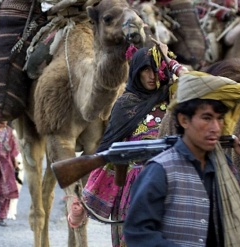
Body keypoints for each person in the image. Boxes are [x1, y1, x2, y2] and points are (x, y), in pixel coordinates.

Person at [123, 72, 240, 246]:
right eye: (207, 118)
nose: (216, 128)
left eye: (219, 119)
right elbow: (138, 233)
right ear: (184, 120)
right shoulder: (160, 170)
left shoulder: (223, 168)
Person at [71, 41, 188, 246]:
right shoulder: (125, 104)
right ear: (135, 72)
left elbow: (193, 82)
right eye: (145, 70)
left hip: (169, 183)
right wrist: (83, 200)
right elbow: (107, 151)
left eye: (155, 69)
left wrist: (169, 61)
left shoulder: (173, 97)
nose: (151, 76)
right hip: (134, 188)